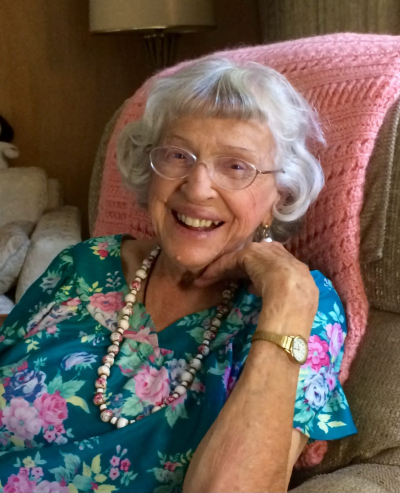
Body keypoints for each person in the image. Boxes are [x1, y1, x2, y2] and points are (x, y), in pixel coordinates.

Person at [0, 58, 356, 493]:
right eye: (178, 156)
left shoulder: (300, 308)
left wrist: (286, 297)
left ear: (280, 195)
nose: (197, 187)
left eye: (236, 166)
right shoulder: (85, 264)